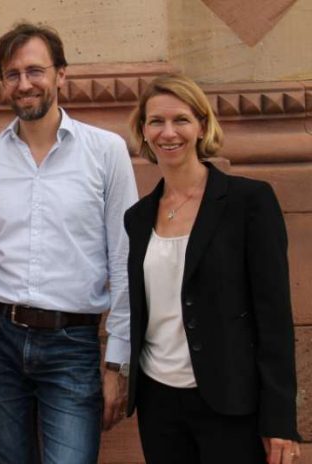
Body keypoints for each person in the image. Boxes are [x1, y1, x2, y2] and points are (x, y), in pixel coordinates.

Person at [0, 22, 138, 463]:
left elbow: (124, 258)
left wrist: (117, 360)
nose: (25, 84)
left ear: (62, 74)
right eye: (12, 74)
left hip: (72, 344)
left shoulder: (107, 151)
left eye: (35, 71)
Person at [124, 73, 301, 464]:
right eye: (156, 121)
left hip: (230, 402)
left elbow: (273, 318)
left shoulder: (248, 202)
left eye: (181, 120)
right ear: (144, 131)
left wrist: (280, 420)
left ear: (202, 125)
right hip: (158, 402)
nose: (168, 132)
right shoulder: (137, 218)